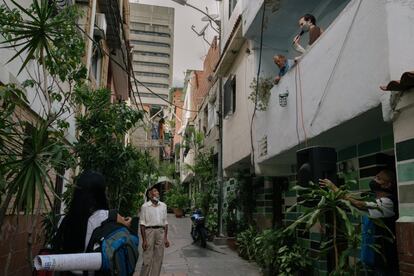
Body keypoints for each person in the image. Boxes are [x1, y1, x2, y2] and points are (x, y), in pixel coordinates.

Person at [319, 169, 399, 275]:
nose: (374, 180)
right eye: (375, 177)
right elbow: (352, 200)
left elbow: (358, 204)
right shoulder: (372, 198)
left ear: (387, 185)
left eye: (379, 179)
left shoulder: (388, 202)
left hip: (383, 258)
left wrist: (333, 188)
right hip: (370, 255)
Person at [53, 171, 131, 275]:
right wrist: (128, 222)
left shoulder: (64, 220)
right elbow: (126, 229)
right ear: (100, 193)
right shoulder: (106, 216)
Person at [139, 186, 170, 276]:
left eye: (157, 191)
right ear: (150, 195)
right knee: (147, 259)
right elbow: (142, 224)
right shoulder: (145, 206)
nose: (157, 193)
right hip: (149, 232)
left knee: (158, 258)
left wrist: (165, 238)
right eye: (155, 191)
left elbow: (165, 222)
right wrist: (144, 240)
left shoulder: (163, 206)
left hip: (160, 231)